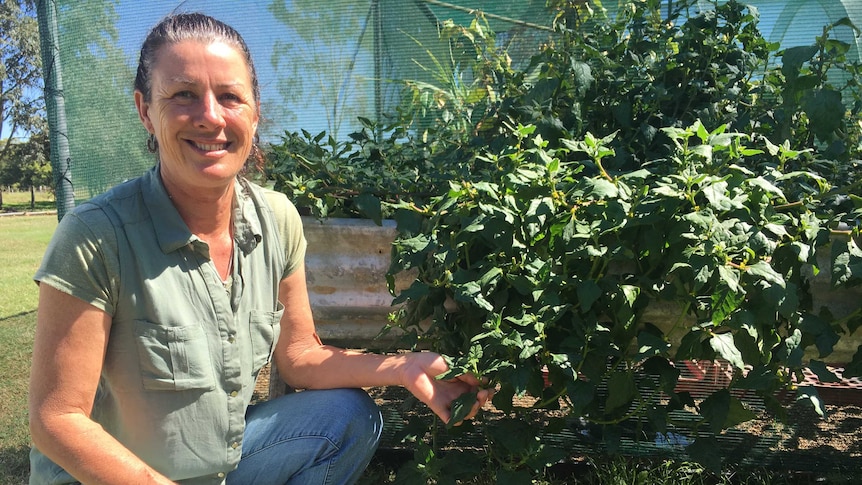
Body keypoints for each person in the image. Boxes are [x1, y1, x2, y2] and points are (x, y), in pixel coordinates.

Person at [28, 12, 492, 485]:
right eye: (183, 94)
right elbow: (57, 419)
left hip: (220, 466)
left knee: (346, 416)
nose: (211, 116)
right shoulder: (96, 235)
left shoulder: (277, 219)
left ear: (254, 112)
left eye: (229, 96)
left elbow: (300, 356)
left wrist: (403, 366)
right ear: (145, 109)